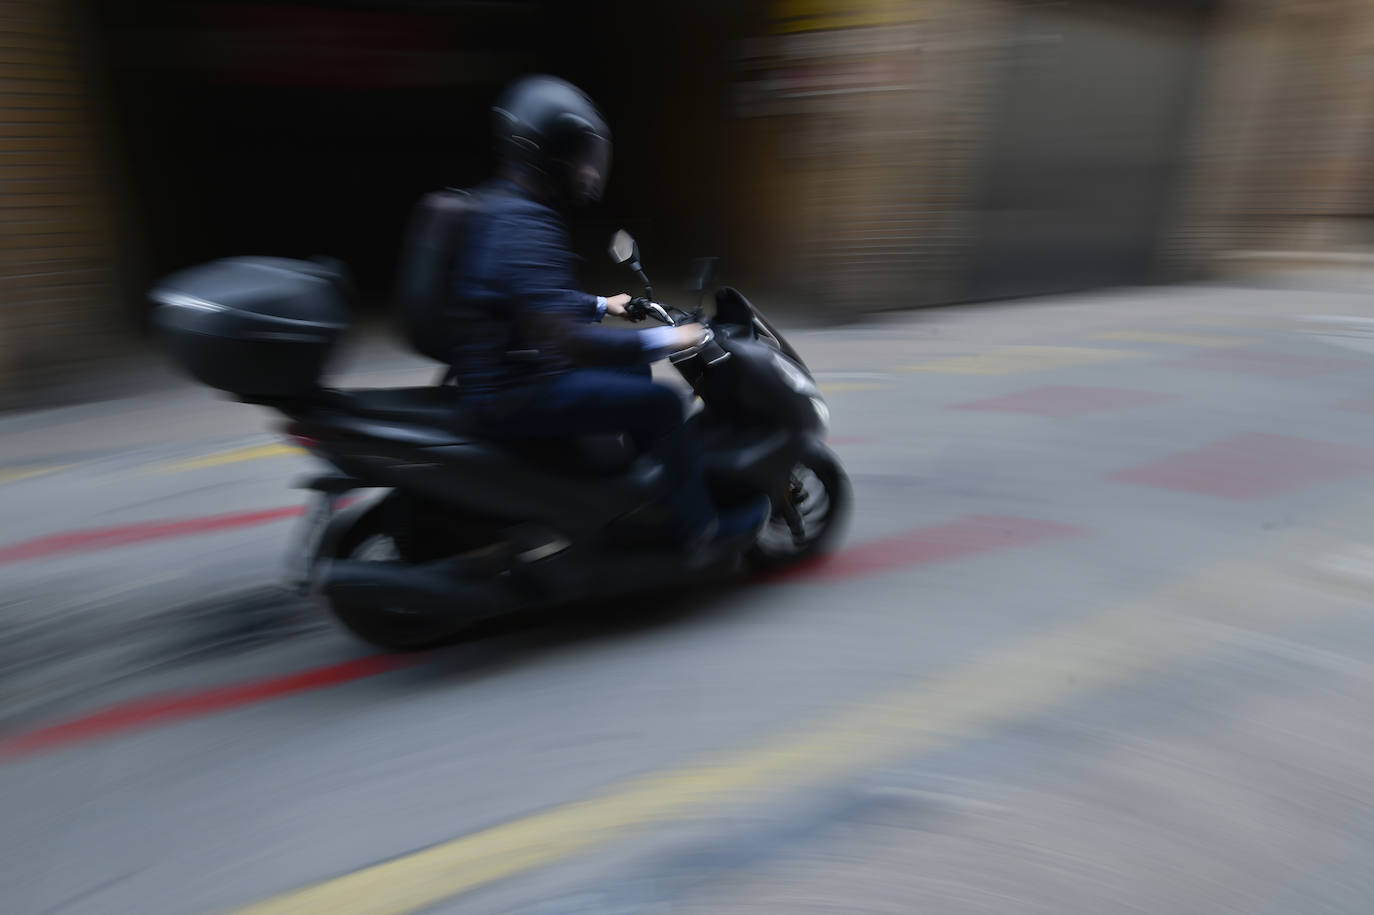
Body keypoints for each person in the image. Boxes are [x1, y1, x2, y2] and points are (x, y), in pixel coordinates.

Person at [448, 74, 769, 551]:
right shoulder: (525, 222)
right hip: (516, 390)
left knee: (632, 371)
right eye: (580, 156)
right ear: (551, 154)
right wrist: (670, 339)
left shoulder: (505, 207)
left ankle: (642, 480)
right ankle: (697, 528)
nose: (588, 171)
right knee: (663, 404)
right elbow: (569, 342)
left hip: (506, 371)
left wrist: (601, 304)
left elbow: (530, 299)